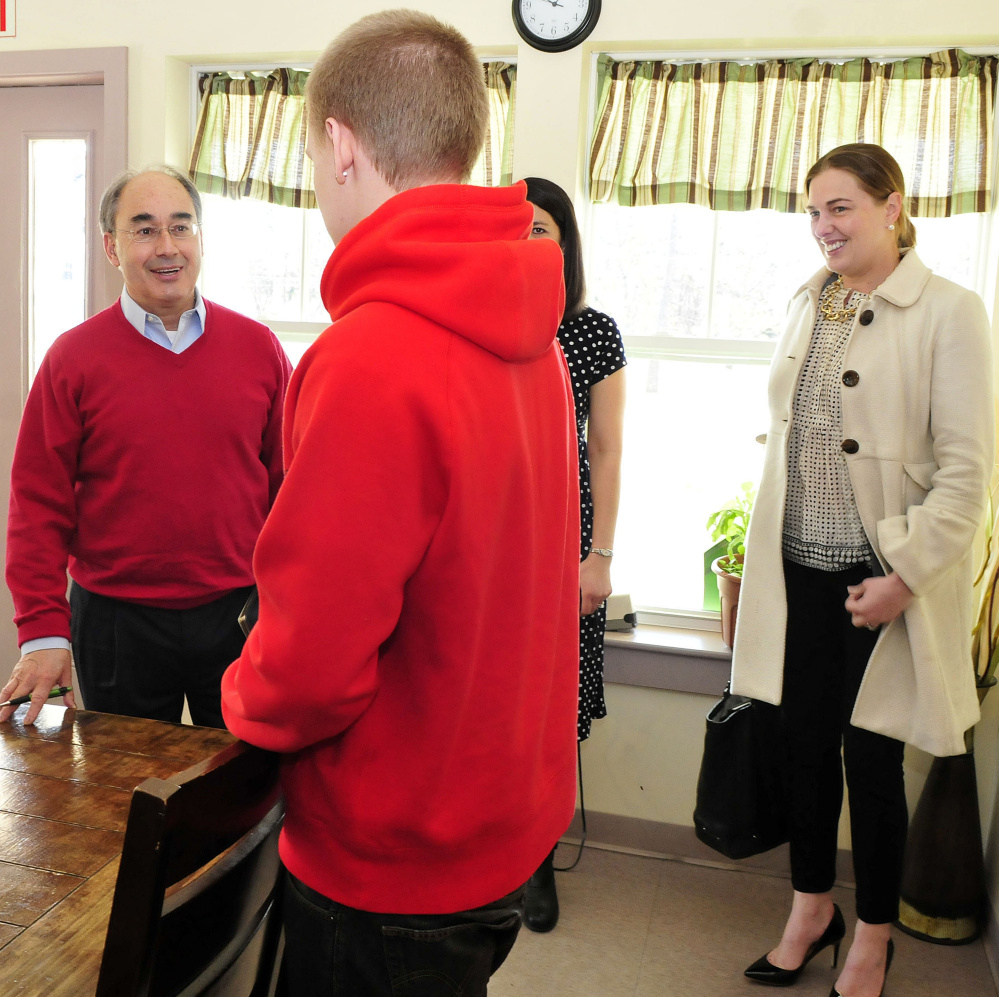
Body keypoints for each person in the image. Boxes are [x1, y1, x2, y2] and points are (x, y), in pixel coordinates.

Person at [219, 11, 581, 996]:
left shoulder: (371, 353)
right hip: (500, 819)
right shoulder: (534, 331)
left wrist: (238, 694)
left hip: (391, 856)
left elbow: (313, 664)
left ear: (341, 144)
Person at [731, 143, 993, 997]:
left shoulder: (949, 312)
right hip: (798, 570)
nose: (822, 226)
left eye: (840, 207)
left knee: (868, 763)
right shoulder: (811, 302)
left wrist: (906, 576)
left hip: (879, 584)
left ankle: (873, 936)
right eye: (813, 210)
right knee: (802, 749)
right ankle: (812, 909)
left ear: (891, 207)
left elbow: (965, 475)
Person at [2, 166, 291, 729]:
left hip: (240, 613)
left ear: (200, 238)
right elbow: (37, 502)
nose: (167, 248)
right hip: (116, 622)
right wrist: (41, 630)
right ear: (112, 247)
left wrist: (293, 606)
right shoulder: (72, 359)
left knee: (244, 789)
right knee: (125, 797)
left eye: (181, 227)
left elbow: (292, 486)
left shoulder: (260, 350)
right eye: (144, 229)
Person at [522, 176, 627, 932]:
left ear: (564, 247)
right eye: (512, 229)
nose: (524, 244)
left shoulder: (593, 331)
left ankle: (535, 862)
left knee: (553, 709)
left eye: (540, 232)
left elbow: (609, 450)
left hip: (568, 544)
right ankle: (486, 846)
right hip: (494, 542)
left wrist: (600, 555)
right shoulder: (473, 323)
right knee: (490, 700)